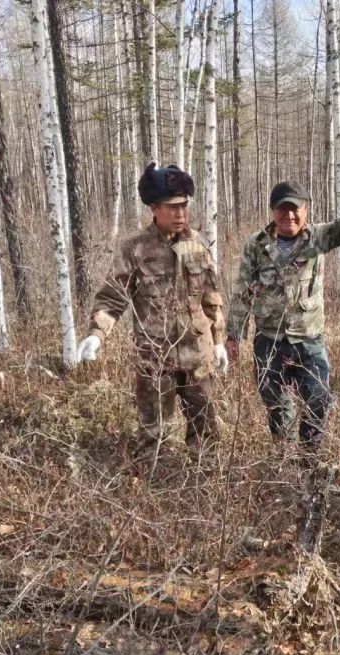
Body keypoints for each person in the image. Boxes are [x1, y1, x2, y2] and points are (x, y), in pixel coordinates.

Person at [78, 163, 225, 471]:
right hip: (155, 357)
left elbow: (212, 298)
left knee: (206, 428)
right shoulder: (135, 249)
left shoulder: (197, 244)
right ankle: (148, 490)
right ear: (154, 208)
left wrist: (219, 340)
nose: (181, 213)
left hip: (198, 354)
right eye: (173, 207)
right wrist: (96, 333)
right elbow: (112, 296)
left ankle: (206, 488)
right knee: (152, 432)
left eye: (184, 205)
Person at [224, 175, 340, 457]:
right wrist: (233, 335)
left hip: (308, 339)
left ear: (305, 210)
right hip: (269, 340)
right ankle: (285, 459)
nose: (289, 215)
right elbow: (243, 290)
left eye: (295, 209)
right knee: (276, 406)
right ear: (272, 211)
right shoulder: (256, 244)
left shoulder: (317, 237)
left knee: (319, 398)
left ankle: (309, 457)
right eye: (282, 208)